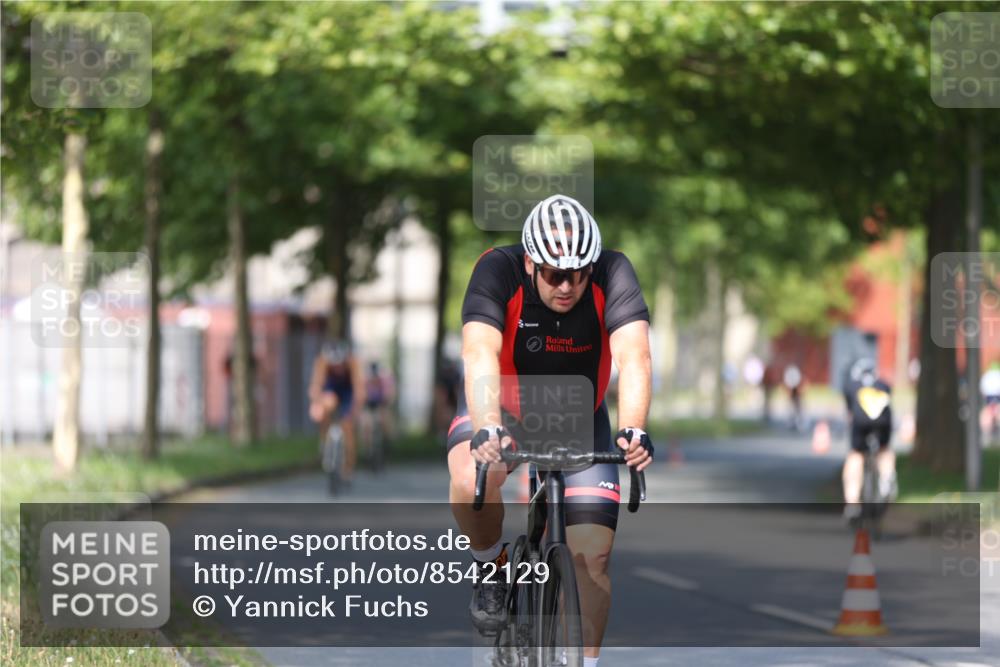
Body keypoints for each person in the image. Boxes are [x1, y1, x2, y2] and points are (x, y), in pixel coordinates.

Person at [447, 194, 653, 667]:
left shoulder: (614, 272)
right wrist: (486, 429)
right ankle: (491, 565)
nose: (567, 285)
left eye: (578, 273)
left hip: (580, 415)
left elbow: (635, 356)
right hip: (501, 405)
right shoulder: (497, 270)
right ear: (530, 262)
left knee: (594, 560)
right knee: (469, 477)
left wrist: (634, 429)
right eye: (554, 274)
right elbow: (478, 352)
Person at [841, 358, 895, 524]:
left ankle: (853, 502)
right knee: (885, 450)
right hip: (883, 423)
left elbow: (850, 413)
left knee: (856, 455)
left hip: (861, 423)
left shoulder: (851, 385)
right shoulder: (883, 384)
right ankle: (887, 479)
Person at [308, 339, 364, 483]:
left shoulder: (353, 363)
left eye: (340, 364)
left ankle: (348, 467)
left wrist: (356, 410)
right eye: (334, 365)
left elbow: (359, 390)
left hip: (348, 391)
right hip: (331, 389)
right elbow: (316, 386)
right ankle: (324, 440)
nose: (337, 367)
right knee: (327, 405)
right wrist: (316, 403)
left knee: (348, 426)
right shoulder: (322, 362)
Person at [980, 361, 1000, 442]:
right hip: (995, 397)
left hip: (988, 398)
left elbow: (982, 389)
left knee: (988, 414)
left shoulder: (986, 376)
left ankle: (987, 435)